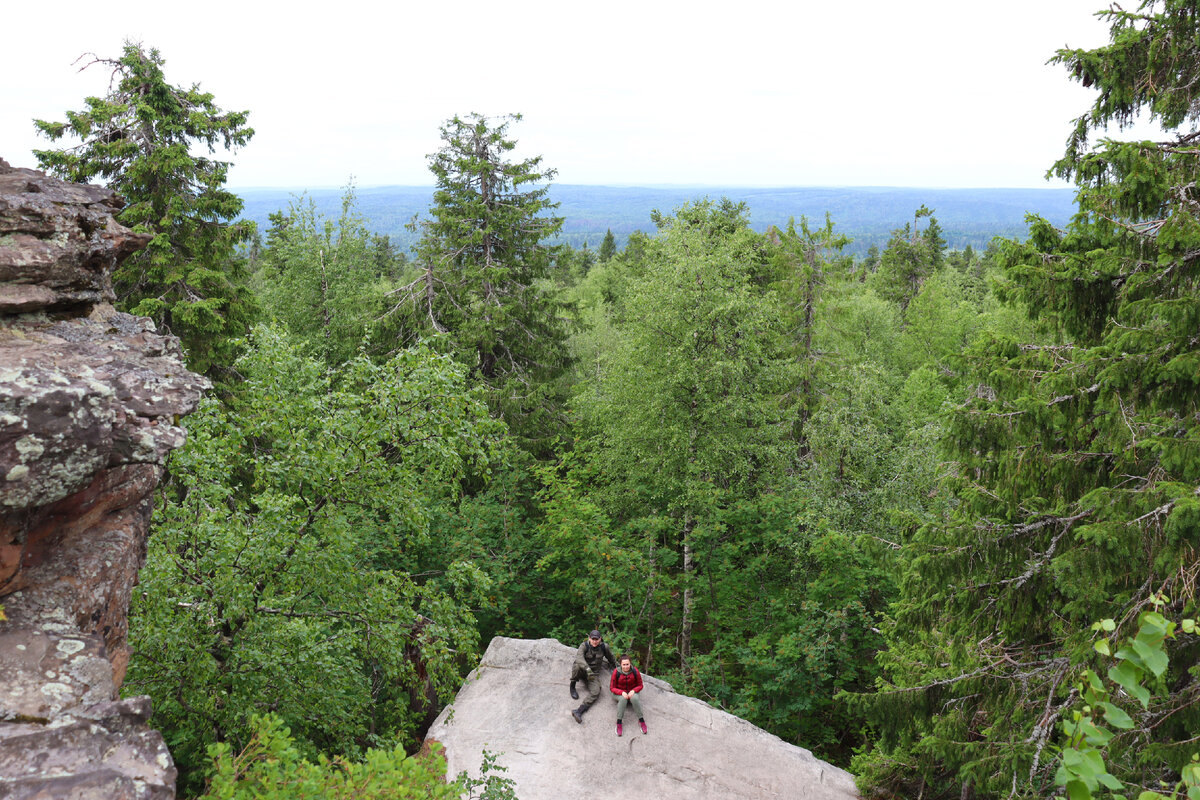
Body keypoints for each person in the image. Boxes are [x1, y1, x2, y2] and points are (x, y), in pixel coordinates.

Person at [569, 629, 616, 723]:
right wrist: (587, 669)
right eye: (593, 639)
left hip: (593, 674)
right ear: (589, 638)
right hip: (583, 670)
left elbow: (611, 658)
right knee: (577, 666)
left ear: (600, 639)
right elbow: (579, 658)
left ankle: (579, 711)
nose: (595, 641)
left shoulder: (604, 647)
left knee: (596, 691)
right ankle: (572, 685)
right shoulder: (584, 646)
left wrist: (617, 667)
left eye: (596, 639)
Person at [609, 654, 647, 736]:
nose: (626, 666)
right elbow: (612, 688)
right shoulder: (616, 672)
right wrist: (621, 692)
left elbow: (640, 685)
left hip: (631, 692)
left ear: (630, 664)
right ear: (621, 664)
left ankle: (641, 720)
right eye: (624, 664)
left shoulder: (635, 671)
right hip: (619, 693)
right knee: (623, 699)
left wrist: (634, 690)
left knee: (635, 699)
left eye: (627, 664)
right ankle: (619, 722)